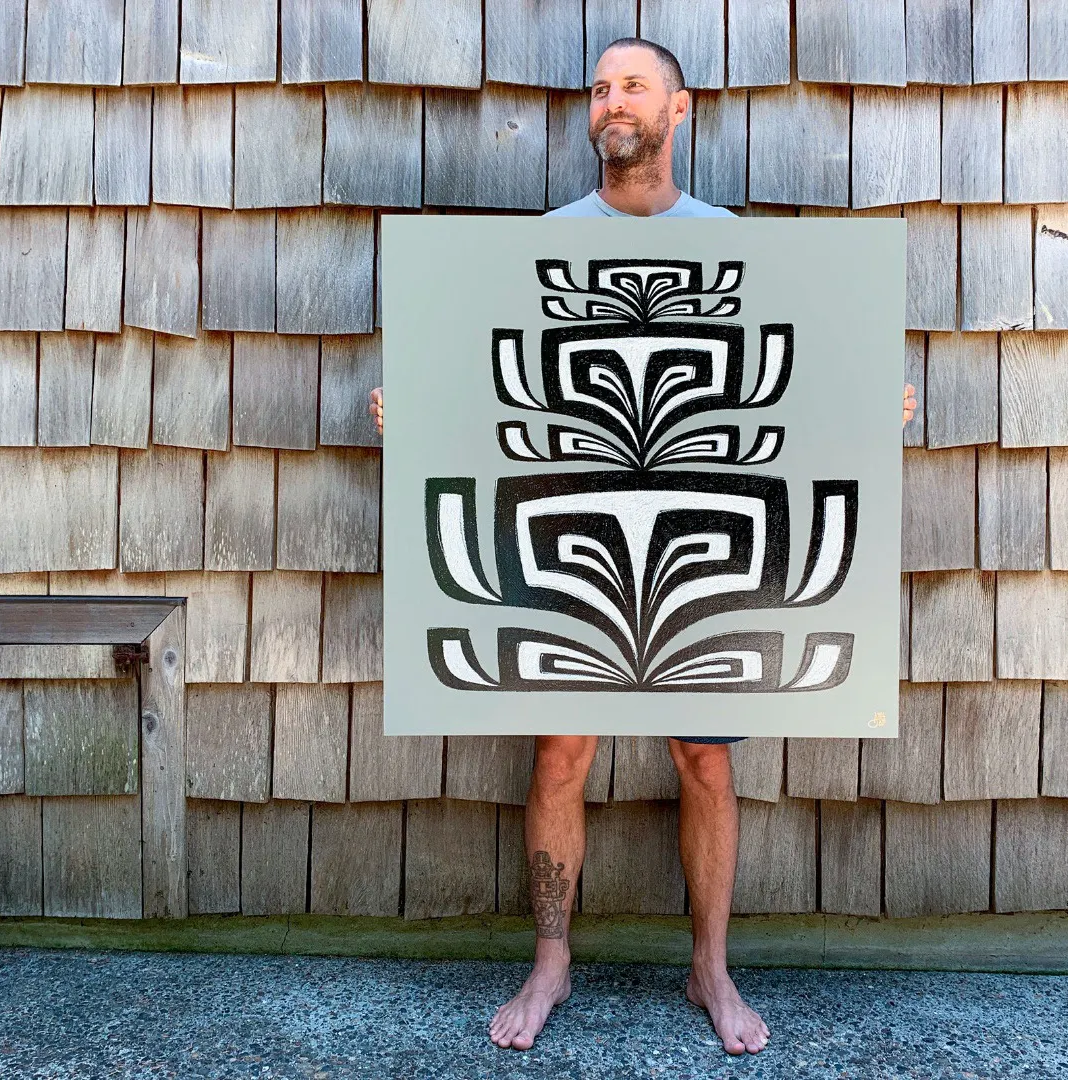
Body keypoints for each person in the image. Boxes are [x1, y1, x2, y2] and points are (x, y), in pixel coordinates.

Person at [369, 37, 918, 1057]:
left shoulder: (735, 242)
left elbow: (785, 382)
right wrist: (421, 416)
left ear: (681, 109)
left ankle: (710, 967)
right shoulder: (543, 242)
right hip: (569, 531)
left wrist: (864, 414)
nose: (611, 101)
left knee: (704, 756)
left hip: (707, 544)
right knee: (561, 749)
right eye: (600, 87)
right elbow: (494, 385)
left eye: (633, 86)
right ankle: (551, 961)